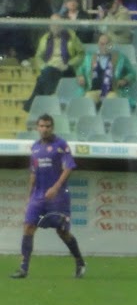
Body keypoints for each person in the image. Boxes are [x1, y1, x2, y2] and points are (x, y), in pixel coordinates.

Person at [10, 115, 85, 280]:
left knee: (63, 232)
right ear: (37, 127)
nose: (45, 129)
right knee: (28, 227)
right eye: (42, 126)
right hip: (38, 196)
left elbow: (68, 167)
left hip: (58, 198)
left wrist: (56, 187)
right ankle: (23, 268)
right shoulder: (35, 148)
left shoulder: (61, 145)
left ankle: (79, 261)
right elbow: (33, 173)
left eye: (48, 126)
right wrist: (29, 197)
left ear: (52, 127)